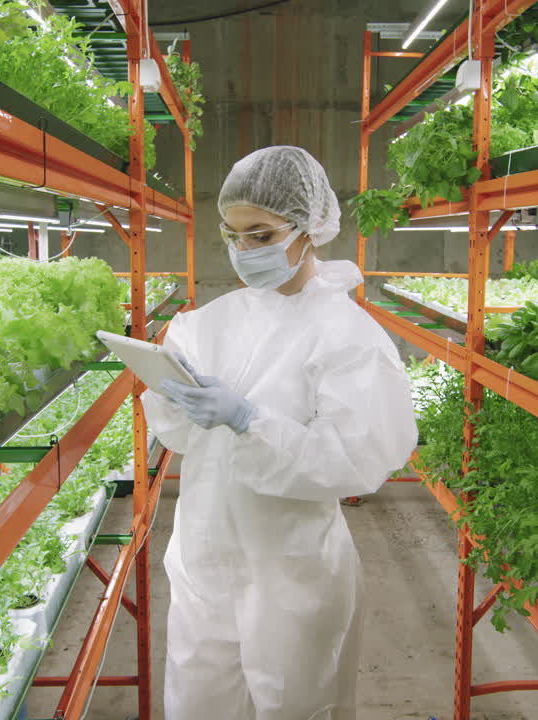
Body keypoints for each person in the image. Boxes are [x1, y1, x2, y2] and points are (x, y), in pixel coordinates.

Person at [142, 146, 418, 720]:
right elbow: (180, 436)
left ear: (310, 229)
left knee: (296, 703)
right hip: (204, 554)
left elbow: (356, 460)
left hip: (293, 568)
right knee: (199, 701)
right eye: (234, 235)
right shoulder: (208, 323)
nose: (244, 251)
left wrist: (251, 422)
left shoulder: (346, 336)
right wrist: (171, 400)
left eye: (262, 236)